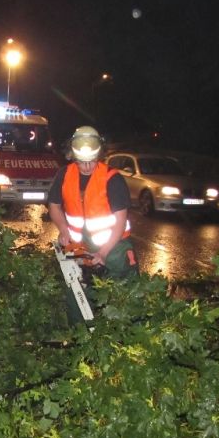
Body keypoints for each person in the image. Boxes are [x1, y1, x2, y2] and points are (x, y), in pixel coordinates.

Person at [48, 126, 139, 322]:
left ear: (99, 155)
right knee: (76, 292)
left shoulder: (112, 179)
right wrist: (63, 229)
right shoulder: (64, 175)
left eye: (91, 161)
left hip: (113, 247)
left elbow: (120, 221)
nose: (87, 166)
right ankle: (81, 334)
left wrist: (103, 253)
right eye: (82, 162)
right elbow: (54, 206)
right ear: (73, 156)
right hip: (79, 247)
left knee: (124, 299)